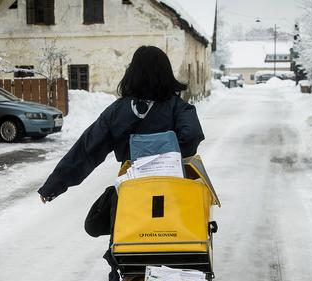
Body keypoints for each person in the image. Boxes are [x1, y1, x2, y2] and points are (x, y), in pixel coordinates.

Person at [37, 45, 205, 203]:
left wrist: (53, 185)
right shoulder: (179, 108)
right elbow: (191, 136)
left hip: (132, 193)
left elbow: (87, 150)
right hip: (173, 192)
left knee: (114, 226)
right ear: (166, 74)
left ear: (132, 73)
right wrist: (165, 156)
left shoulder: (117, 111)